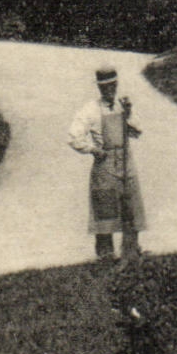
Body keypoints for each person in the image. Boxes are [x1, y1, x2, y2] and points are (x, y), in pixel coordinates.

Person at [67, 65, 145, 260]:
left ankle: (131, 253)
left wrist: (128, 113)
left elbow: (137, 132)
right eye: (105, 87)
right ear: (99, 88)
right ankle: (105, 256)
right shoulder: (90, 109)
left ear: (117, 85)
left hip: (126, 161)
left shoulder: (121, 106)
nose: (110, 90)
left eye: (113, 85)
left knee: (131, 210)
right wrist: (93, 150)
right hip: (105, 165)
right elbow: (74, 137)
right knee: (105, 212)